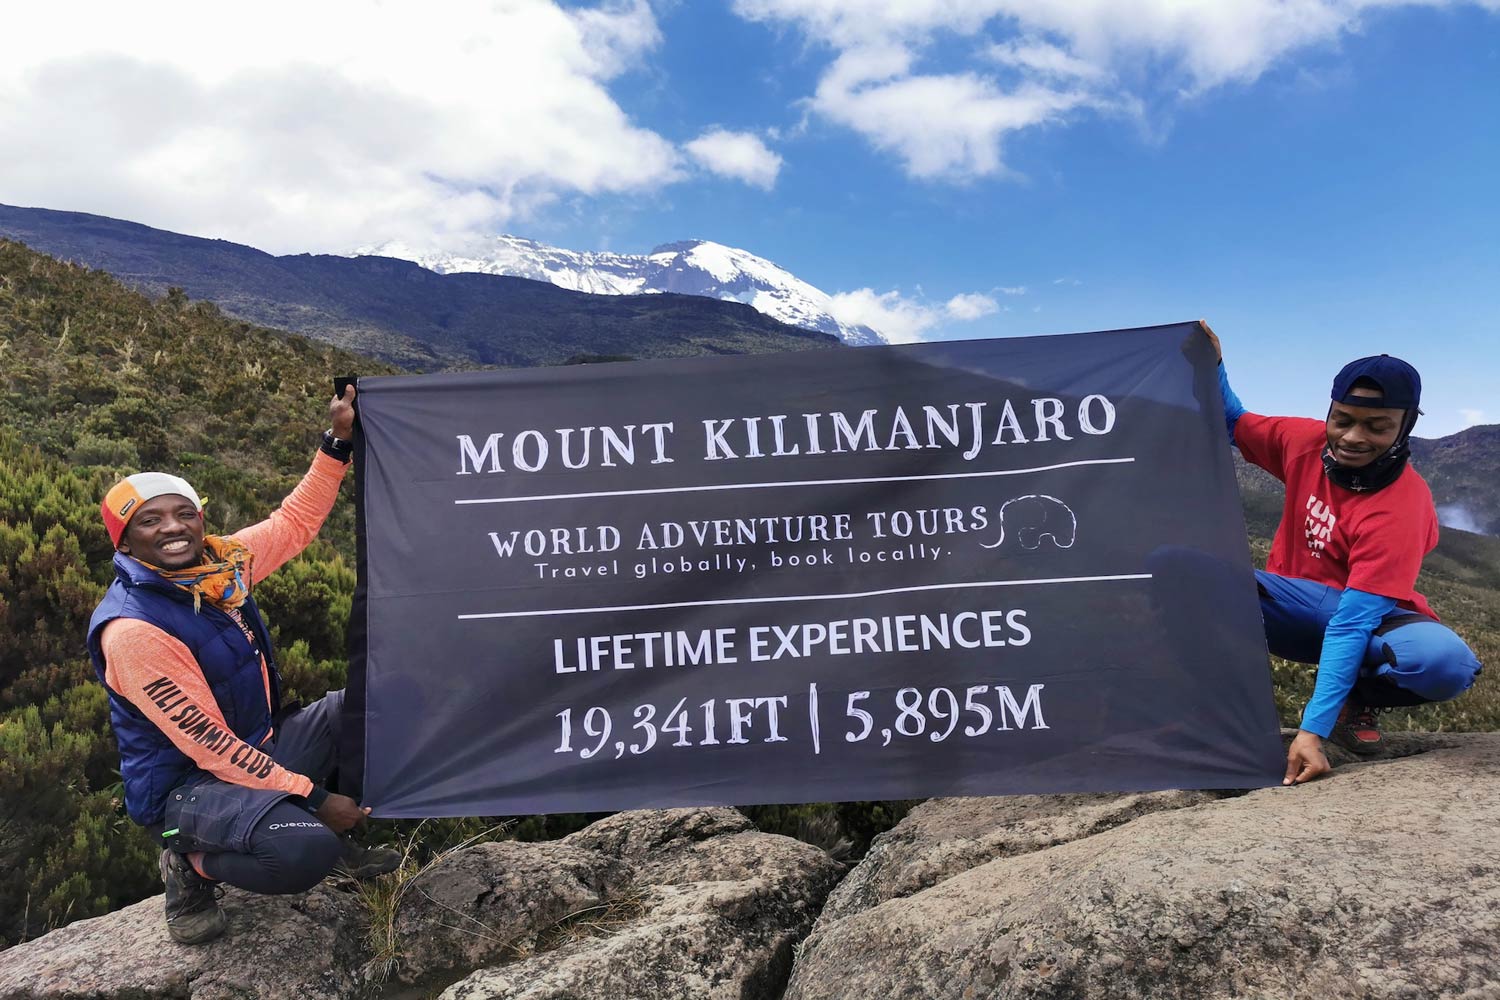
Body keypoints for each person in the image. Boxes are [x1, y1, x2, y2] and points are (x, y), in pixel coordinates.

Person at [87, 385, 397, 945]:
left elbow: (293, 523)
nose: (173, 527)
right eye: (150, 520)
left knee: (368, 709)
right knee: (303, 851)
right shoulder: (134, 631)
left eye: (184, 513)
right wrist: (317, 799)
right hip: (188, 788)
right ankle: (190, 865)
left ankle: (324, 831)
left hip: (257, 748)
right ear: (125, 541)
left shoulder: (221, 570)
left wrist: (337, 442)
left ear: (200, 520)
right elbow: (209, 744)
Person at [1202, 323, 1482, 787]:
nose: (1353, 437)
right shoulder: (1304, 442)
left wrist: (1312, 731)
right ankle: (1202, 712)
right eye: (1343, 420)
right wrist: (1213, 362)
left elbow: (1352, 623)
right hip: (1293, 606)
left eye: (1377, 426)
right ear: (1329, 412)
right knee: (1183, 568)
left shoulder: (1402, 506)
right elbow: (1233, 421)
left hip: (1371, 617)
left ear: (1405, 427)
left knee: (1446, 665)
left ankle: (1357, 699)